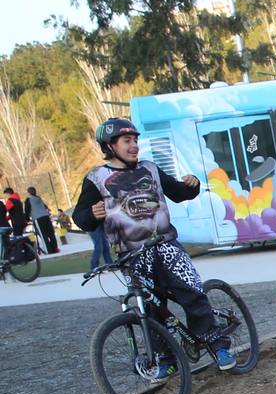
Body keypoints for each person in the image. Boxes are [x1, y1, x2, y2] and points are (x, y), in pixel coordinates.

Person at [71, 118, 237, 372]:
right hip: (132, 256)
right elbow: (81, 217)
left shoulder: (150, 168)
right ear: (110, 146)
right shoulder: (96, 178)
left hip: (166, 245)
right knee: (149, 309)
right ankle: (167, 360)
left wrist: (192, 186)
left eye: (135, 140)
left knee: (191, 292)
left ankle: (217, 345)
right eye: (127, 141)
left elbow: (178, 193)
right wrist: (91, 214)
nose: (134, 145)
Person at [24, 187, 59, 253]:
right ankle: (55, 248)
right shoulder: (39, 198)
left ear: (28, 193)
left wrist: (27, 219)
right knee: (51, 233)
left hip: (38, 219)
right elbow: (45, 206)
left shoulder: (28, 200)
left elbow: (27, 210)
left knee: (43, 235)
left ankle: (48, 250)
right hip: (46, 217)